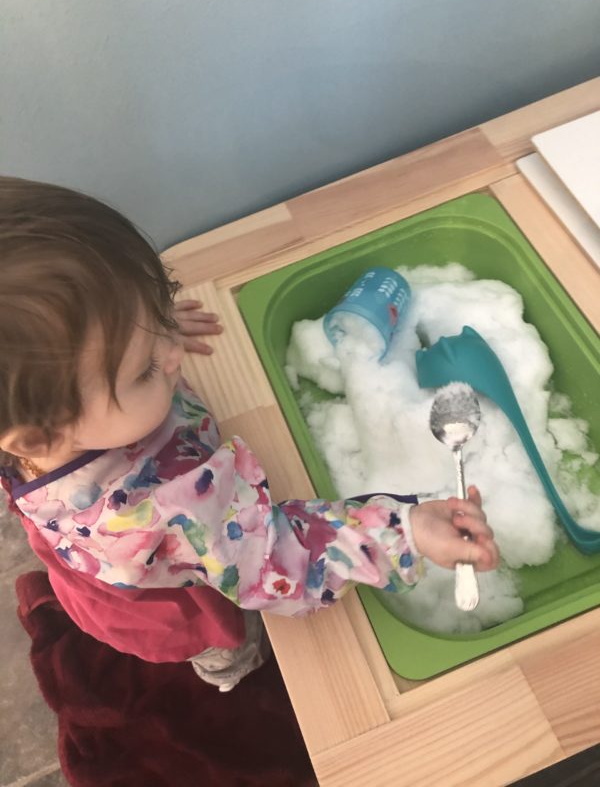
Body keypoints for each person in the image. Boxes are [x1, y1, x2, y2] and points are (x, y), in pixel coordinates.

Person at [0, 176, 499, 691]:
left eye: (155, 308)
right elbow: (278, 559)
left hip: (87, 556)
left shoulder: (37, 406)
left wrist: (144, 325)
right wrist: (405, 532)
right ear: (35, 438)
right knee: (225, 639)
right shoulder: (159, 505)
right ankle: (229, 668)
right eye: (145, 369)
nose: (171, 353)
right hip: (173, 604)